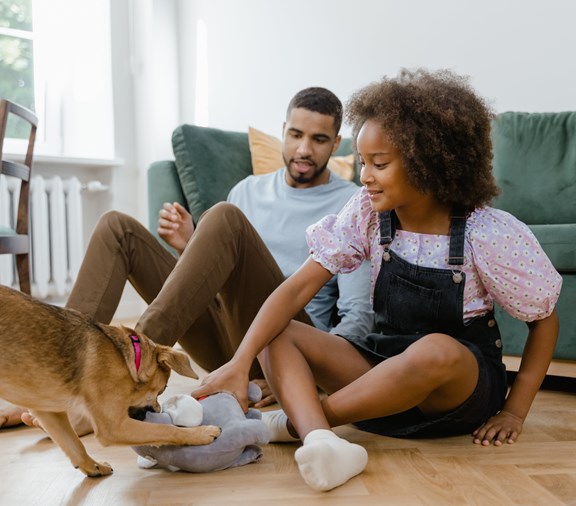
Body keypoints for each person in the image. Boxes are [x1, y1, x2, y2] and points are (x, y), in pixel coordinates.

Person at [191, 68, 562, 492]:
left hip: (457, 394)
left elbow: (544, 320)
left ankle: (300, 422)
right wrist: (241, 363)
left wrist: (515, 410)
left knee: (436, 350)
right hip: (380, 374)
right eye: (363, 161)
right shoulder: (368, 213)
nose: (364, 175)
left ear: (427, 163)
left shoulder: (487, 232)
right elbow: (297, 288)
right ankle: (321, 443)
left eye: (379, 164)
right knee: (279, 333)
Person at [0, 87, 374, 430]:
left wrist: (301, 370)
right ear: (283, 131)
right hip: (224, 344)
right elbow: (219, 286)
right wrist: (189, 247)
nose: (304, 149)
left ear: (336, 143)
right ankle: (55, 381)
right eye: (296, 135)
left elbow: (357, 318)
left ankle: (117, 384)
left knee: (224, 217)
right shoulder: (248, 189)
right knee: (118, 228)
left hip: (286, 341)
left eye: (319, 139)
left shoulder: (352, 203)